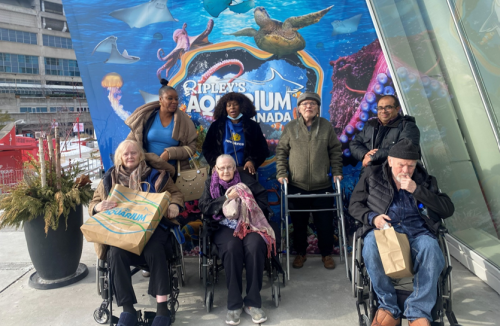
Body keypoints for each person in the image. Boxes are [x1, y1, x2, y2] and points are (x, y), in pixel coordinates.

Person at [348, 139, 454, 326]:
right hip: (385, 231)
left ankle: (418, 311)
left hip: (417, 232)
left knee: (431, 247)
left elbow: (447, 209)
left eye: (410, 166)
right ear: (390, 161)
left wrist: (417, 190)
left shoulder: (424, 180)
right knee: (371, 244)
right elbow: (354, 205)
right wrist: (373, 218)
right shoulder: (372, 175)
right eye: (401, 165)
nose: (405, 171)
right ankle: (389, 307)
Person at [89, 140, 184, 326]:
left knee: (155, 250)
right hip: (122, 230)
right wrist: (98, 207)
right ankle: (128, 310)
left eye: (133, 153)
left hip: (151, 228)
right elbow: (93, 203)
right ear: (120, 158)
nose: (130, 156)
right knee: (115, 253)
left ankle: (162, 310)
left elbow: (176, 193)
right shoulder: (109, 179)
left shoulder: (156, 175)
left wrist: (173, 204)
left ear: (140, 155)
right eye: (126, 154)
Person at [199, 155, 275, 325]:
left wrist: (248, 208)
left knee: (255, 246)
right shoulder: (210, 183)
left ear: (235, 168)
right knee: (232, 248)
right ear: (216, 170)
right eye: (222, 168)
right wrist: (227, 198)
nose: (225, 171)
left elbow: (263, 200)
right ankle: (234, 304)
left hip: (249, 224)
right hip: (222, 227)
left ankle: (253, 303)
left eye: (229, 167)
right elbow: (204, 207)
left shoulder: (247, 180)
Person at [276, 92, 343, 270]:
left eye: (312, 103)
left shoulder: (326, 126)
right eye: (305, 104)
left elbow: (335, 150)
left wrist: (337, 172)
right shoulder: (290, 128)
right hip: (297, 185)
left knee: (325, 223)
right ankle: (300, 253)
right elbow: (281, 152)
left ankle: (326, 254)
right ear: (299, 108)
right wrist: (282, 173)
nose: (308, 106)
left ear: (317, 108)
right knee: (298, 223)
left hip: (323, 185)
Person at [125, 78, 197, 177]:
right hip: (146, 170)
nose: (174, 102)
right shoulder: (147, 117)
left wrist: (170, 153)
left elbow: (192, 148)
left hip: (172, 173)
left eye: (176, 99)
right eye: (170, 98)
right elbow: (131, 142)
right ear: (160, 99)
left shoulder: (184, 121)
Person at [202, 92, 269, 175]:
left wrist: (251, 161)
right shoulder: (216, 126)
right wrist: (215, 163)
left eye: (235, 104)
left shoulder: (253, 126)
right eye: (229, 105)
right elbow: (207, 148)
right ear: (224, 108)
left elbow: (262, 149)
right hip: (222, 172)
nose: (232, 108)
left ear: (242, 106)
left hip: (244, 171)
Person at [349, 94, 420, 170]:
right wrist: (365, 155)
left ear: (397, 109)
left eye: (388, 107)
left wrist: (373, 156)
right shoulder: (370, 126)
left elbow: (406, 147)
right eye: (380, 108)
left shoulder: (408, 126)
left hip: (396, 176)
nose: (383, 111)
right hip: (369, 175)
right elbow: (354, 144)